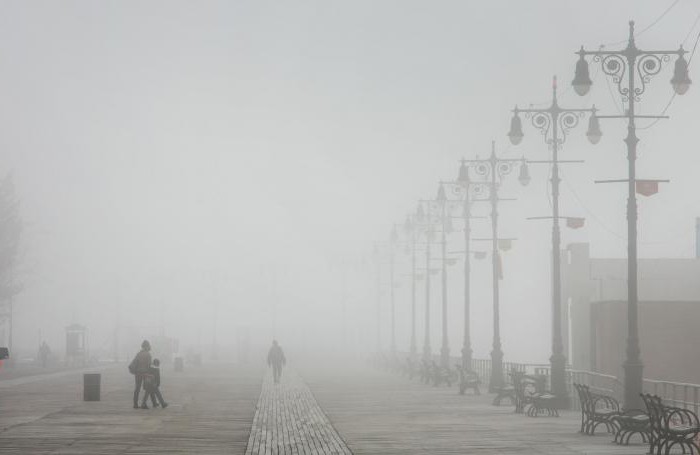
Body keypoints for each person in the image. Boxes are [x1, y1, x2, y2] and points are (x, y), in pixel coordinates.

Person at [129, 340, 152, 409]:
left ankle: (135, 404)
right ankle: (143, 403)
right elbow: (149, 365)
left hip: (138, 373)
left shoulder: (139, 354)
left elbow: (135, 362)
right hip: (145, 374)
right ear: (147, 346)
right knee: (148, 388)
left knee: (137, 388)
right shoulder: (148, 354)